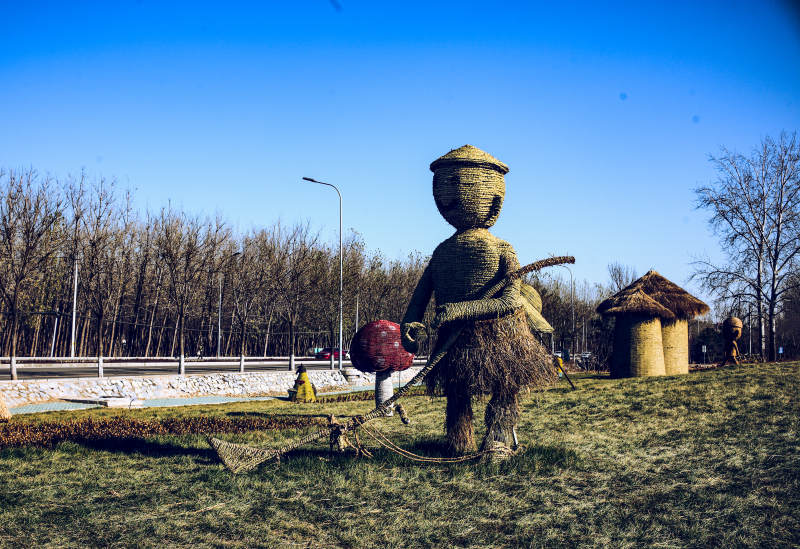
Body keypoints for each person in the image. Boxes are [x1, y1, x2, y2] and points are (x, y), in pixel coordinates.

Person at [401, 145, 555, 457]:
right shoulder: (443, 253)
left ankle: (498, 440)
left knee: (505, 386)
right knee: (457, 396)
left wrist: (460, 310)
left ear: (495, 197)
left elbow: (509, 301)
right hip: (454, 342)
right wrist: (411, 328)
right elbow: (418, 301)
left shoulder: (502, 250)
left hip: (500, 338)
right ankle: (460, 445)